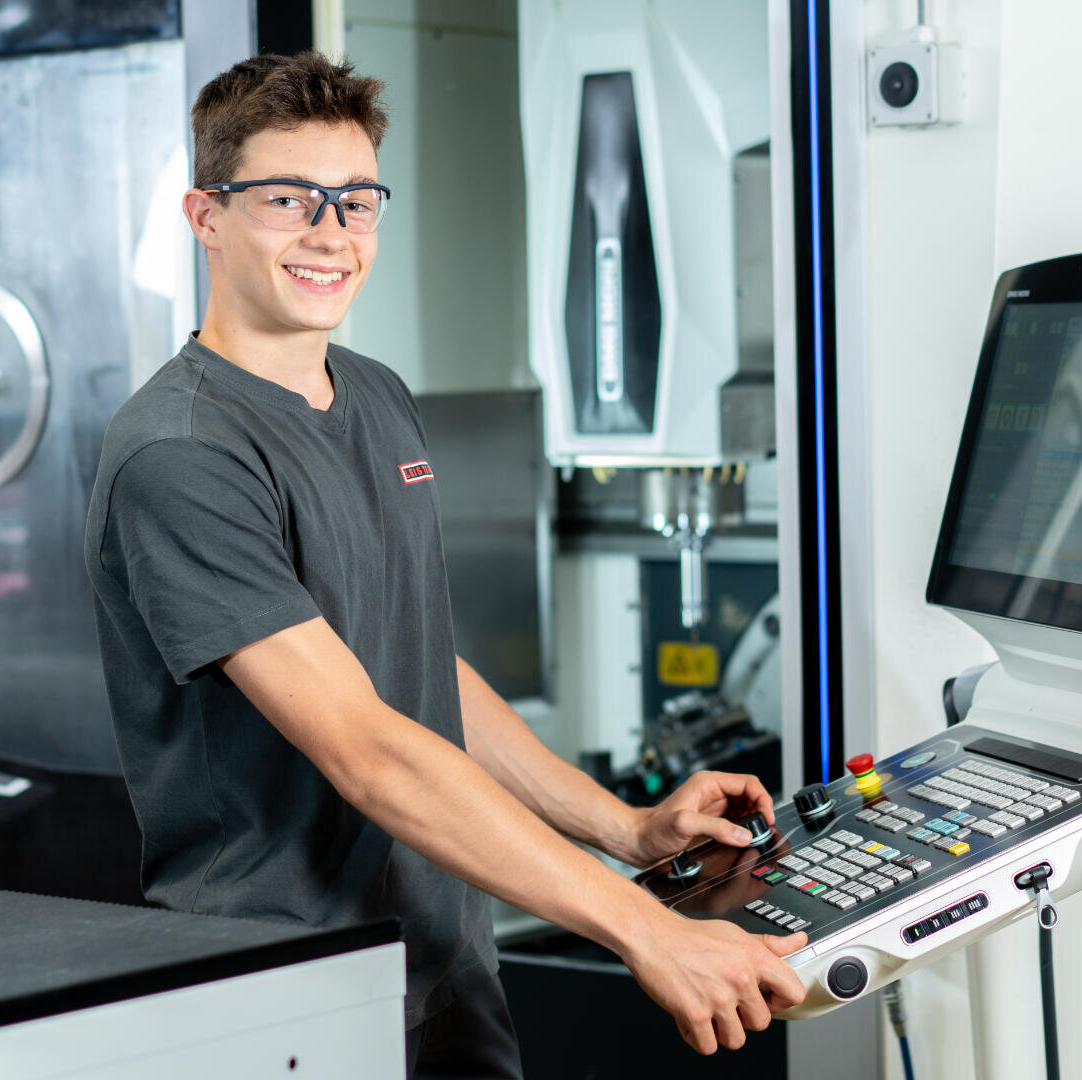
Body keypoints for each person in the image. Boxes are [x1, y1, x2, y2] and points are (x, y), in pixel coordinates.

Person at [83, 52, 807, 1076]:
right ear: (207, 216)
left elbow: (422, 679)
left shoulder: (374, 396)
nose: (330, 233)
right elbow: (369, 747)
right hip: (282, 993)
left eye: (355, 200)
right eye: (288, 199)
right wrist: (643, 929)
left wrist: (629, 828)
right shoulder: (185, 453)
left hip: (442, 967)